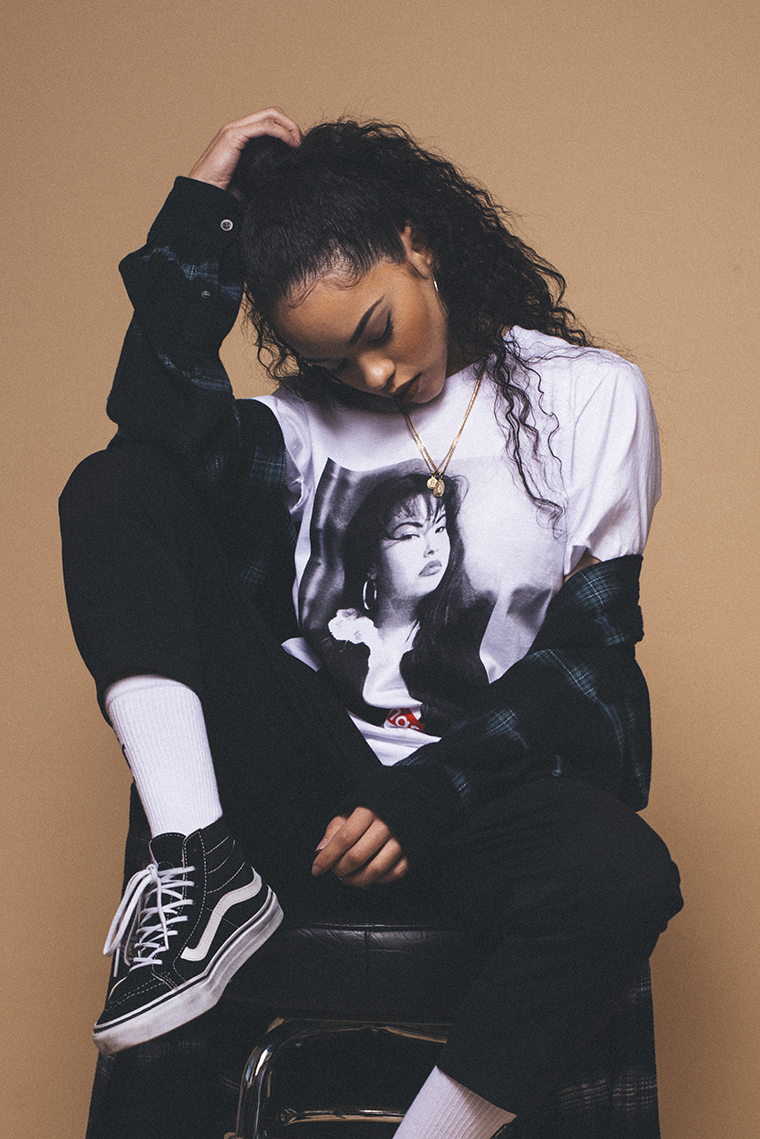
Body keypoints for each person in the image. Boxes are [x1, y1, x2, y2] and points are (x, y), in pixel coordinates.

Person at [60, 108, 683, 1138]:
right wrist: (201, 217)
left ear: (418, 244)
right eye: (336, 361)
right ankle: (196, 863)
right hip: (306, 775)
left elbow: (589, 661)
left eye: (376, 332)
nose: (375, 377)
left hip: (486, 783)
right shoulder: (292, 428)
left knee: (620, 873)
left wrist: (424, 798)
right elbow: (150, 428)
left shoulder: (589, 398)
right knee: (113, 483)